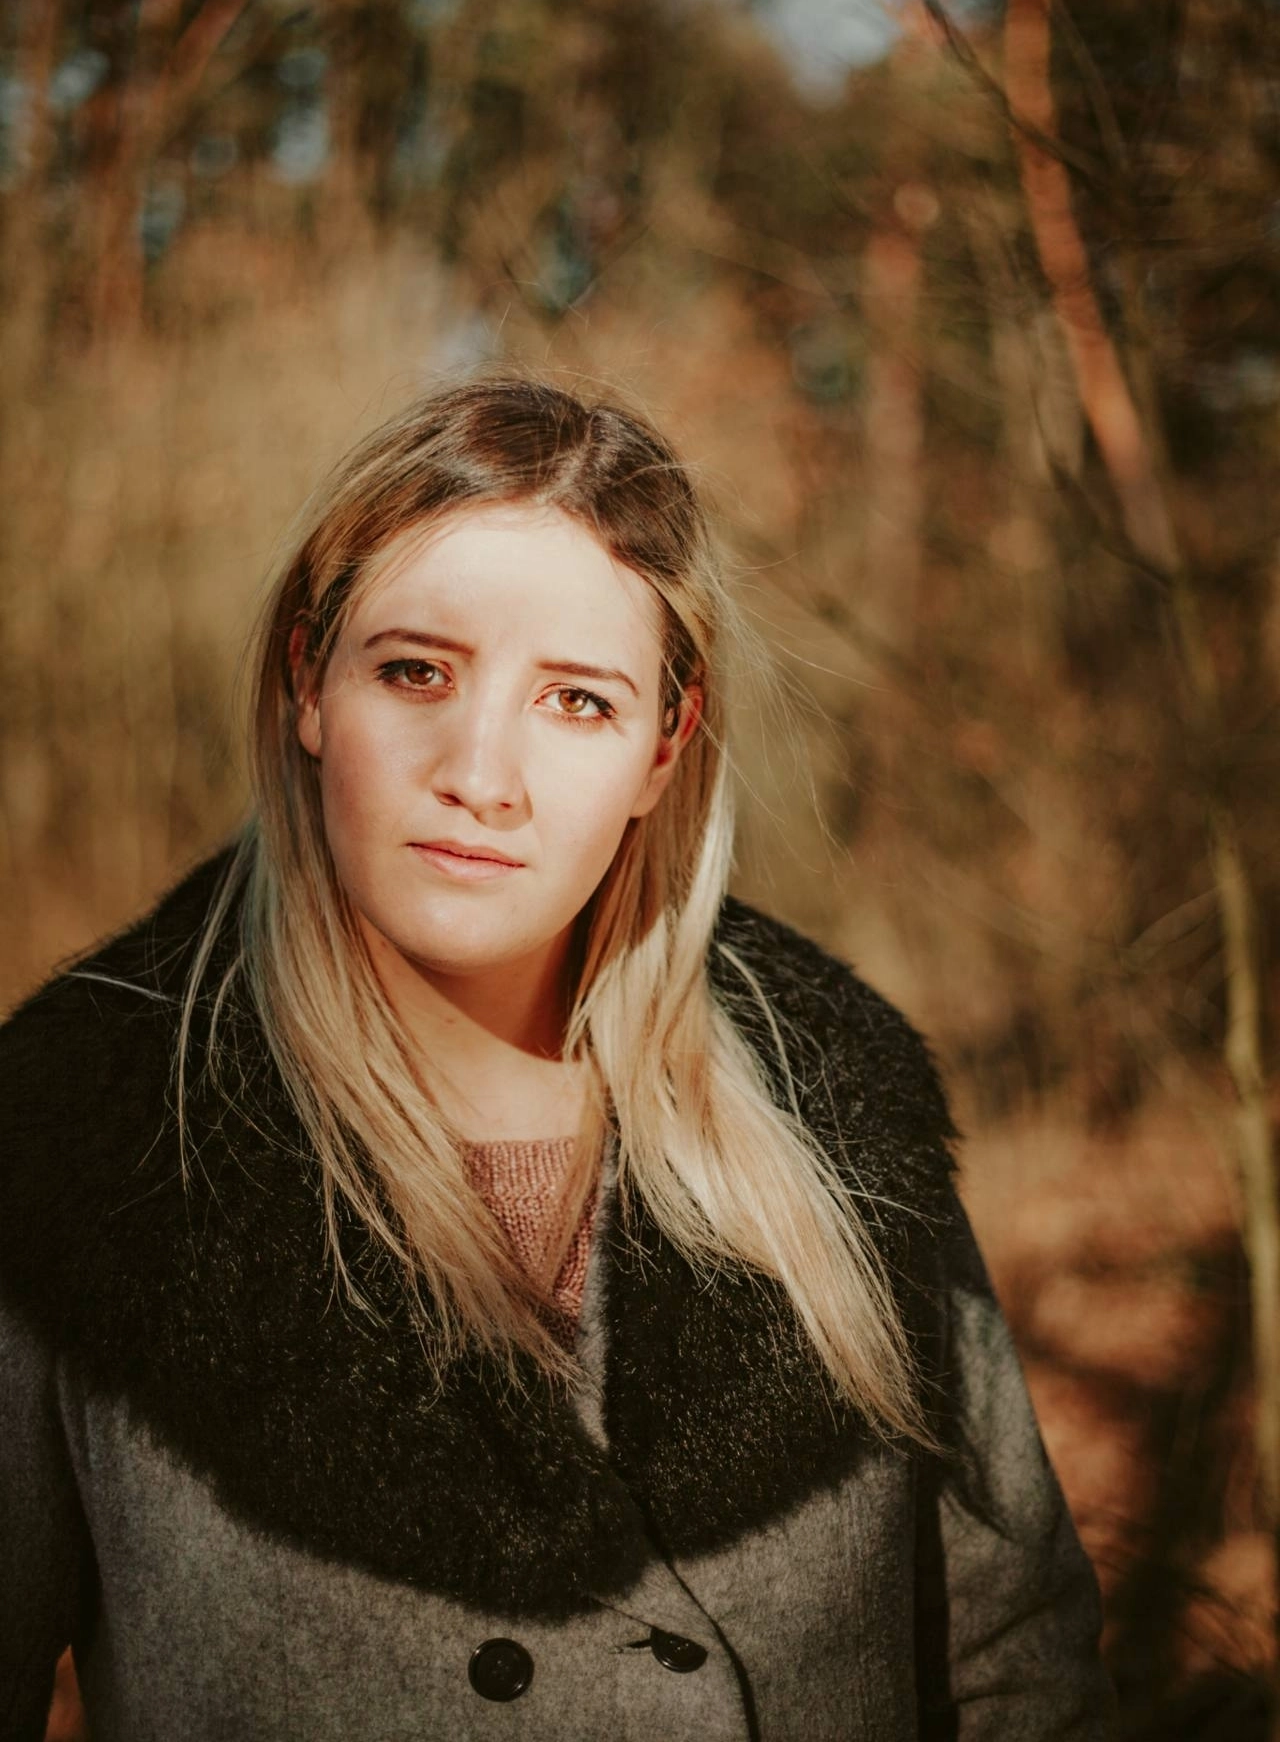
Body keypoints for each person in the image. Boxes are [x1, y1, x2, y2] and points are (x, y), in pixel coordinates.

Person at [0, 374, 1115, 1740]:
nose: (481, 775)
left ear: (664, 748)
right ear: (307, 682)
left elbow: (1018, 1660)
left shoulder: (835, 1120)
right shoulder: (84, 1151)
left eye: (577, 702)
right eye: (416, 671)